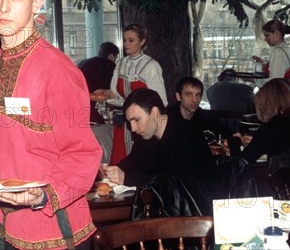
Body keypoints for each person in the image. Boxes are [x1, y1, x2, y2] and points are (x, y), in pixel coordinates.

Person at [0, 0, 102, 250]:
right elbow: (19, 124)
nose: (4, 8)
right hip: (9, 225)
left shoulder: (58, 71)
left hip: (55, 230)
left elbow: (83, 154)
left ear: (36, 4)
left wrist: (43, 195)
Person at [102, 88, 222, 216]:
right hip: (171, 211)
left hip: (201, 214)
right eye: (130, 122)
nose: (133, 128)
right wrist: (108, 171)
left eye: (136, 120)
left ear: (154, 113)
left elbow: (173, 184)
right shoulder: (147, 136)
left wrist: (127, 178)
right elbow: (132, 163)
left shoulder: (186, 134)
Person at [167, 77, 241, 155]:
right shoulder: (168, 116)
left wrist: (236, 137)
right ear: (178, 96)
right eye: (188, 94)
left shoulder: (203, 115)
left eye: (198, 95)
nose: (194, 100)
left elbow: (226, 132)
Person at [99, 23, 168, 105]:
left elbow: (160, 100)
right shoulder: (120, 63)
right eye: (124, 40)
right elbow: (116, 95)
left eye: (131, 40)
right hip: (122, 113)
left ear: (142, 41)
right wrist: (105, 92)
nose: (126, 44)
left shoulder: (151, 66)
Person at [77, 42, 119, 124]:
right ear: (111, 56)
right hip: (92, 106)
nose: (115, 61)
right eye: (116, 58)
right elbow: (111, 90)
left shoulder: (85, 62)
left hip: (79, 103)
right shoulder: (108, 65)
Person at [252, 19, 290, 88]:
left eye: (267, 35)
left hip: (282, 93)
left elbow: (274, 82)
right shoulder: (286, 48)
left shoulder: (278, 52)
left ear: (277, 34)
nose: (265, 39)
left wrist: (255, 80)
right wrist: (262, 63)